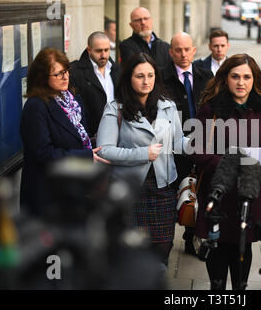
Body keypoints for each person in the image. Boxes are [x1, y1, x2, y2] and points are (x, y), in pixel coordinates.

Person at [192, 53, 261, 290]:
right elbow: (198, 151)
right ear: (225, 78)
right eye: (235, 76)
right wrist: (230, 165)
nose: (241, 82)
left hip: (249, 193)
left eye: (246, 77)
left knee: (244, 248)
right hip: (219, 192)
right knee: (218, 250)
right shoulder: (210, 109)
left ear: (255, 80)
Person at [96, 53, 189, 267]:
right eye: (139, 76)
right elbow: (104, 151)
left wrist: (198, 143)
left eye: (150, 75)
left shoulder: (168, 106)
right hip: (130, 191)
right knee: (133, 252)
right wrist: (142, 154)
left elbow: (177, 142)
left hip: (163, 188)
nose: (146, 81)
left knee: (163, 247)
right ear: (129, 78)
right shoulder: (115, 108)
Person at [20, 47, 109, 217]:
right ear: (42, 77)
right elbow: (43, 154)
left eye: (66, 71)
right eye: (58, 74)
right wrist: (84, 156)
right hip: (48, 194)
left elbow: (80, 135)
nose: (65, 76)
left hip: (76, 187)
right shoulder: (35, 107)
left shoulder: (73, 99)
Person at [162, 32, 213, 256]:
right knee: (176, 192)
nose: (183, 54)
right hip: (173, 146)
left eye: (187, 49)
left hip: (202, 144)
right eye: (178, 50)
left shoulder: (206, 74)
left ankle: (192, 237)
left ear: (194, 50)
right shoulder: (162, 77)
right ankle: (165, 239)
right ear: (171, 52)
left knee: (197, 192)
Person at [70, 31, 120, 141]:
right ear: (89, 50)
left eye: (106, 50)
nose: (103, 55)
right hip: (91, 138)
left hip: (117, 133)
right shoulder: (75, 73)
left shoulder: (116, 70)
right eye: (99, 51)